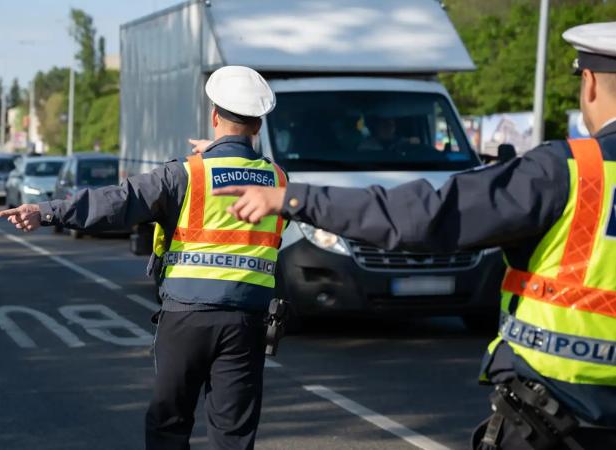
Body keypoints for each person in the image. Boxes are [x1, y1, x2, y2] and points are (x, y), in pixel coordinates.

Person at [210, 22, 616, 450]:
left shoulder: (565, 171)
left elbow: (423, 216)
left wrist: (295, 198)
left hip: (561, 419)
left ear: (588, 83)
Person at [0, 65, 287, 450]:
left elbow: (117, 203)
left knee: (169, 425)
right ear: (258, 125)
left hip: (186, 317)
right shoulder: (279, 180)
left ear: (214, 116)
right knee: (233, 435)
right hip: (247, 322)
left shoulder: (185, 174)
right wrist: (218, 153)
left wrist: (47, 211)